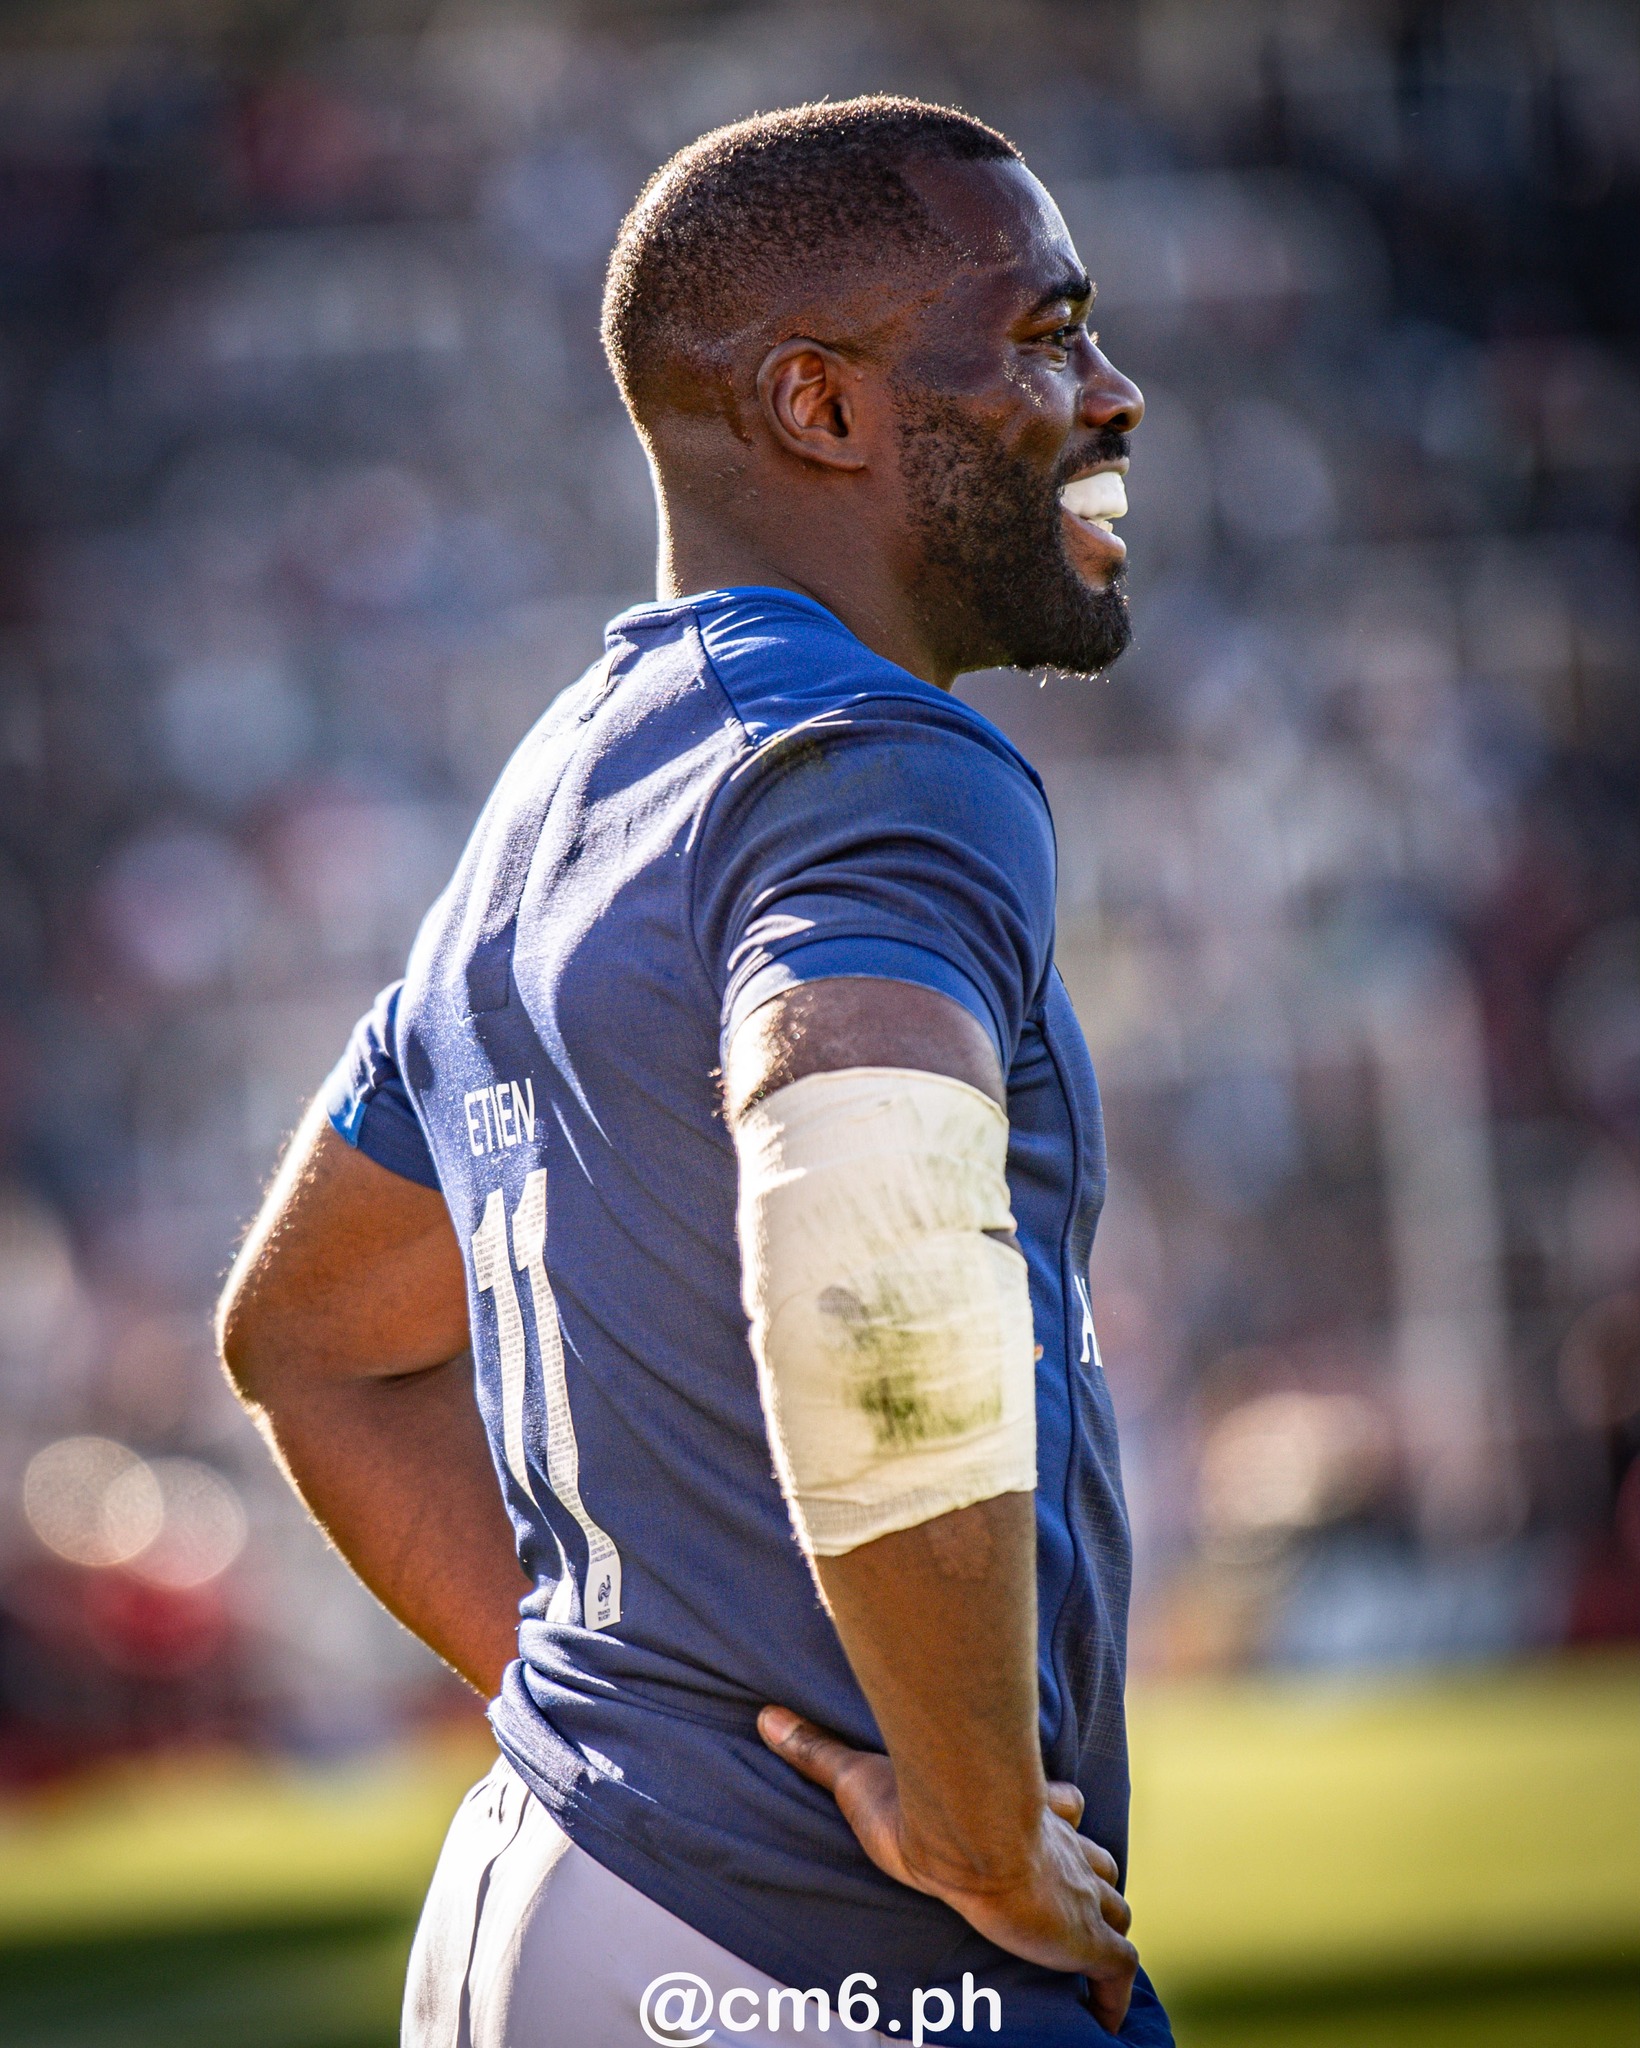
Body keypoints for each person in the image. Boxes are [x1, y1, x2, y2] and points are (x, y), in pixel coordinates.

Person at [217, 96, 1169, 2047]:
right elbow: (867, 1212)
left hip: (573, 1887)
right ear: (819, 410)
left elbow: (309, 1333)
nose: (1114, 390)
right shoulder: (873, 755)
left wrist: (634, 1735)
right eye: (1046, 329)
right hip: (812, 1958)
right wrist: (984, 1833)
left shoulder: (562, 791)